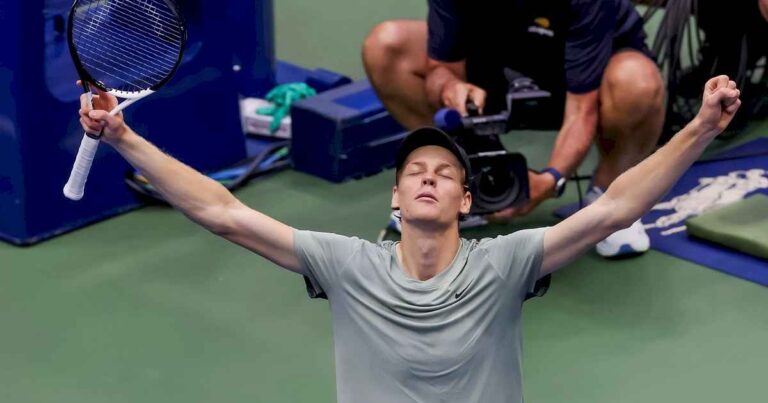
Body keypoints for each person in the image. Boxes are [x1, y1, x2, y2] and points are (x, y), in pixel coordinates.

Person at [77, 76, 740, 403]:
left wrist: (703, 127)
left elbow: (615, 206)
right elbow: (224, 212)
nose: (427, 179)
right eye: (414, 173)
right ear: (395, 197)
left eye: (443, 173)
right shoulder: (344, 263)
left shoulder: (505, 261)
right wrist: (125, 138)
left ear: (465, 199)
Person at [362, 0, 666, 257]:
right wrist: (450, 87)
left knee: (637, 84)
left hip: (586, 83)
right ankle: (474, 181)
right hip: (501, 68)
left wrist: (550, 180)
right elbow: (440, 69)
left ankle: (608, 198)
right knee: (386, 46)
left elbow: (581, 111)